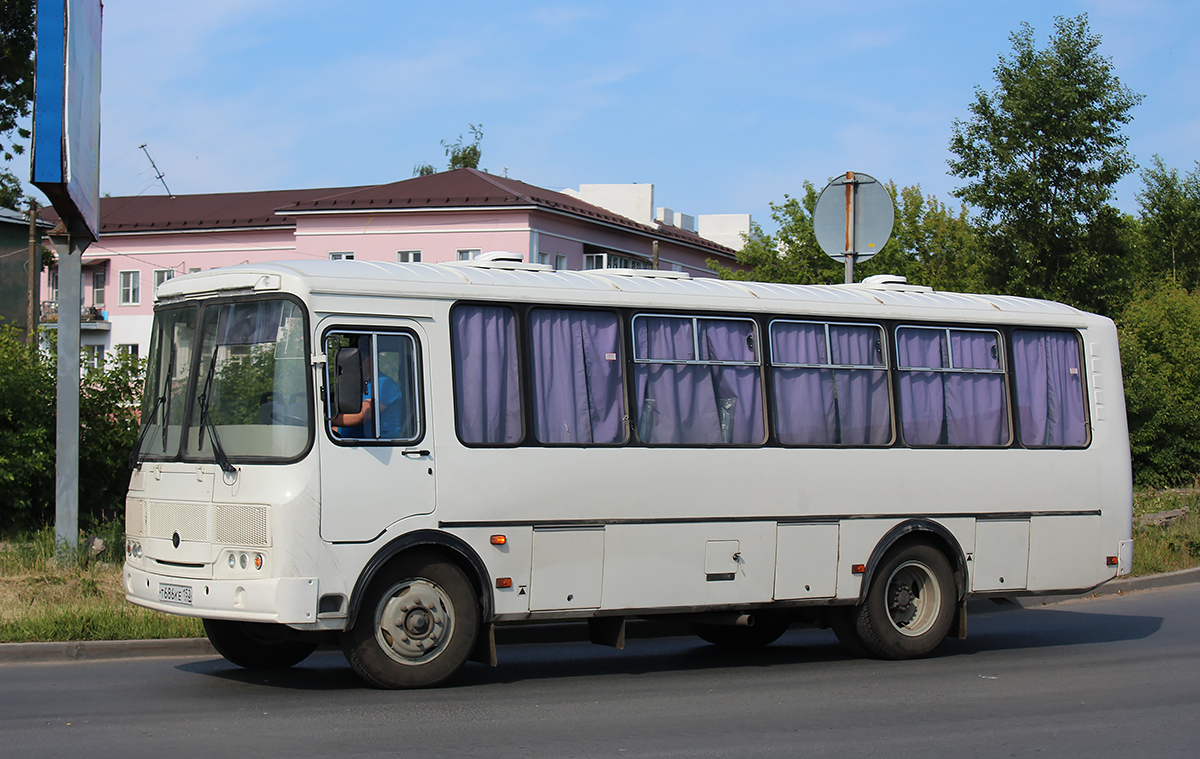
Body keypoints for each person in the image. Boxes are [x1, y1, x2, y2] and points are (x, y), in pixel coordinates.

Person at [332, 344, 404, 439]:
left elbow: (364, 415)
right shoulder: (358, 385)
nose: (347, 368)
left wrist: (326, 419)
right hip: (353, 443)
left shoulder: (385, 384)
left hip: (378, 447)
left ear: (368, 362)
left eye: (351, 363)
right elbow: (343, 426)